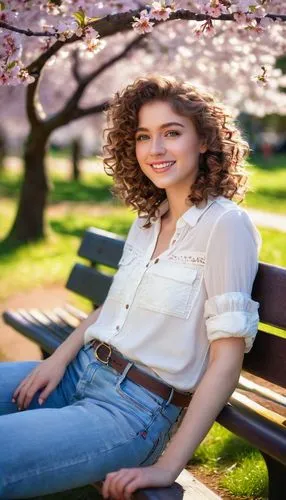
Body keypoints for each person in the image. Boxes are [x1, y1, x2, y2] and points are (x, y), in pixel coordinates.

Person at [0, 75, 261, 500]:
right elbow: (112, 307)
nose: (155, 149)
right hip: (79, 371)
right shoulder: (148, 219)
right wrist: (56, 361)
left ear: (203, 141)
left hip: (131, 411)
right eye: (144, 136)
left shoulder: (225, 226)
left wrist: (167, 467)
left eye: (171, 133)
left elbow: (226, 360)